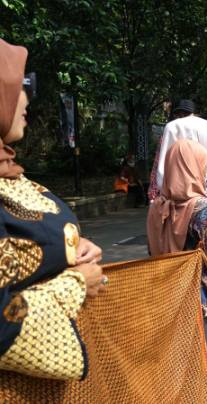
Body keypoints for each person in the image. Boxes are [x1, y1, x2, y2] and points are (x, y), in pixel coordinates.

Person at [0, 39, 106, 380]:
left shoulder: (9, 171)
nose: (27, 99)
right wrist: (75, 283)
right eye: (15, 87)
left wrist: (70, 245)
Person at [146, 139, 207, 380]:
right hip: (200, 295)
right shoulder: (201, 208)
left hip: (166, 290)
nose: (205, 171)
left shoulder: (157, 206)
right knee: (206, 361)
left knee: (175, 359)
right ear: (191, 168)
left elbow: (151, 249)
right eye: (202, 165)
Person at [148, 100, 207, 203]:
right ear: (193, 113)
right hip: (202, 186)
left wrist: (154, 193)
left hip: (174, 186)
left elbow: (159, 161)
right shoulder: (205, 129)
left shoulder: (171, 129)